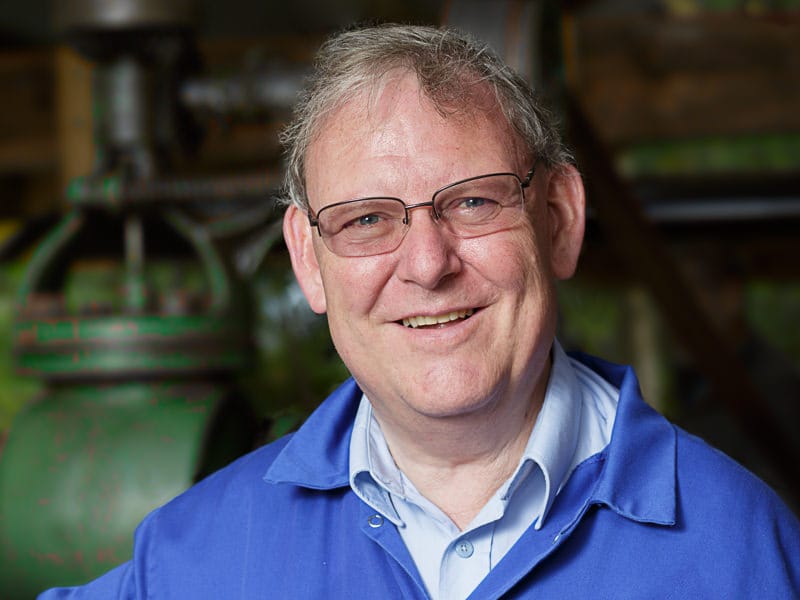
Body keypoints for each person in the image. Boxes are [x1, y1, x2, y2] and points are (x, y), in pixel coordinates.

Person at [40, 23, 799, 600]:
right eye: (367, 219)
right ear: (309, 258)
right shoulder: (194, 559)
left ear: (561, 218)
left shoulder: (742, 550)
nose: (429, 264)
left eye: (472, 201)